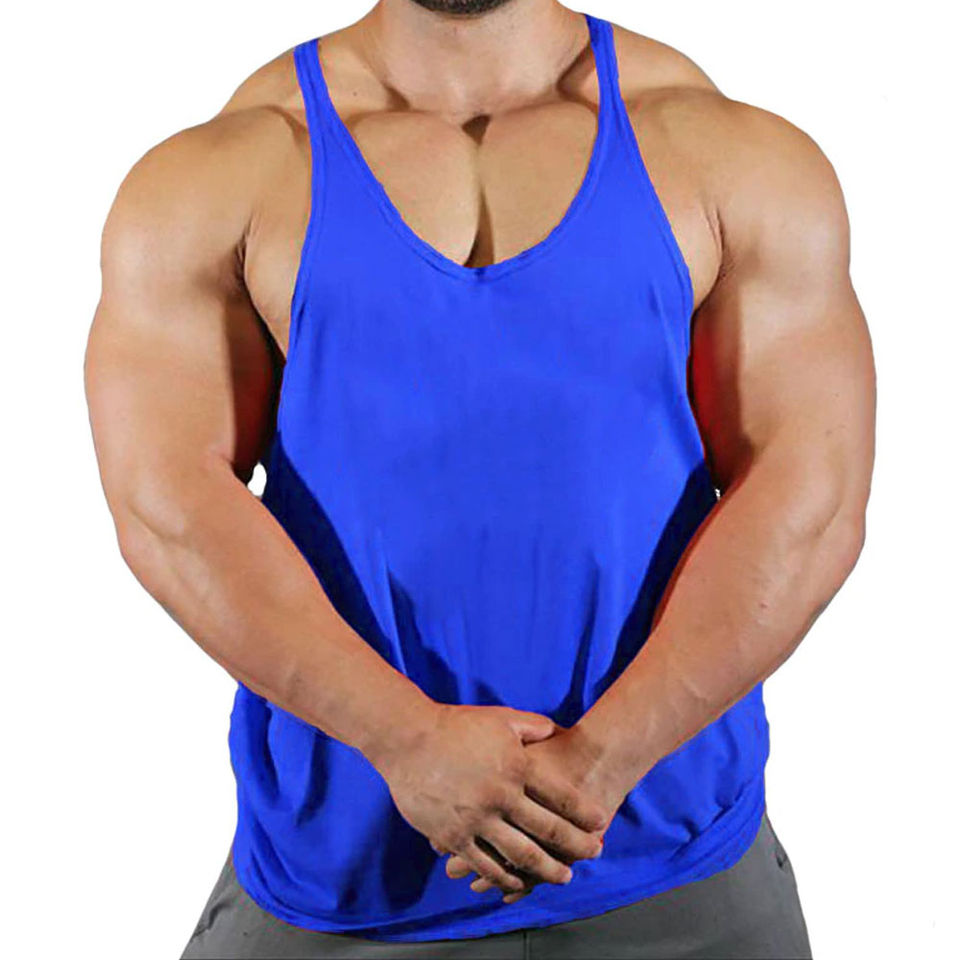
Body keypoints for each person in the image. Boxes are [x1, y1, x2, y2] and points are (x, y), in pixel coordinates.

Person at [84, 0, 875, 956]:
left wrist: (603, 761)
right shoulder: (225, 173)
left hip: (674, 858)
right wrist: (403, 739)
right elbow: (168, 505)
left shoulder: (722, 152)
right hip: (346, 877)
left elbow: (808, 494)